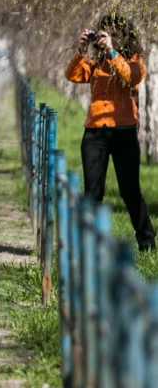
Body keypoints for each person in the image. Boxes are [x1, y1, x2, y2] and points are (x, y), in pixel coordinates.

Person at [66, 13, 156, 252]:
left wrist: (112, 52)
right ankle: (88, 246)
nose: (110, 39)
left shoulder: (135, 60)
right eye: (106, 35)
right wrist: (82, 49)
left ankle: (147, 242)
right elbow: (72, 75)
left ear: (125, 38)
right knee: (93, 192)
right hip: (95, 133)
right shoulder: (96, 62)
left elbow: (131, 77)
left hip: (124, 132)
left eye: (116, 35)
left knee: (130, 192)